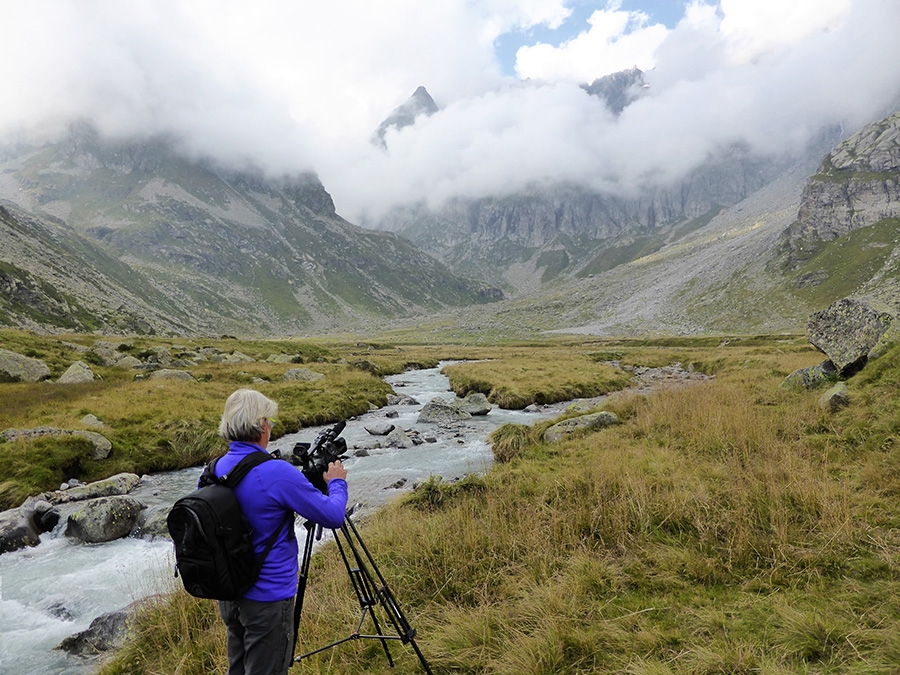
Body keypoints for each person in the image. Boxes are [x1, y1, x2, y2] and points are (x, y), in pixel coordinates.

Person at [213, 388, 348, 675]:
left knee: (238, 668)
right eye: (269, 422)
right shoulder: (275, 472)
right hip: (268, 598)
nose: (271, 428)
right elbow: (334, 516)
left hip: (230, 593)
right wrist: (336, 482)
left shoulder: (215, 469)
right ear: (261, 425)